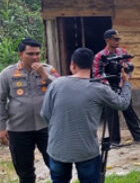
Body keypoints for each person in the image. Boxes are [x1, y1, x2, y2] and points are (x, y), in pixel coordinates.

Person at [41, 47, 132, 183]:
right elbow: (123, 104)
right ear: (91, 66)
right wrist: (126, 83)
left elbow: (45, 114)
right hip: (87, 150)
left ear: (73, 64)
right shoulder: (100, 89)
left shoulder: (56, 84)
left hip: (58, 148)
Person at [0, 38, 59, 183]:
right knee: (25, 171)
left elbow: (62, 89)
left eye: (38, 53)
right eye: (30, 54)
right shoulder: (7, 74)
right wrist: (1, 127)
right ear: (20, 54)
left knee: (57, 166)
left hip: (46, 127)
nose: (35, 57)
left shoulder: (49, 70)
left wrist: (44, 76)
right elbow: (0, 101)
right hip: (19, 129)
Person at [92, 29, 140, 147]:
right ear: (108, 40)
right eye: (115, 39)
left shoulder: (123, 52)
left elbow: (129, 68)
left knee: (130, 112)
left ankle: (138, 137)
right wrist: (107, 85)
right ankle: (114, 141)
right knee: (111, 115)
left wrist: (125, 78)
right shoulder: (100, 56)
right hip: (108, 87)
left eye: (119, 39)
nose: (118, 41)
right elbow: (97, 74)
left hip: (122, 85)